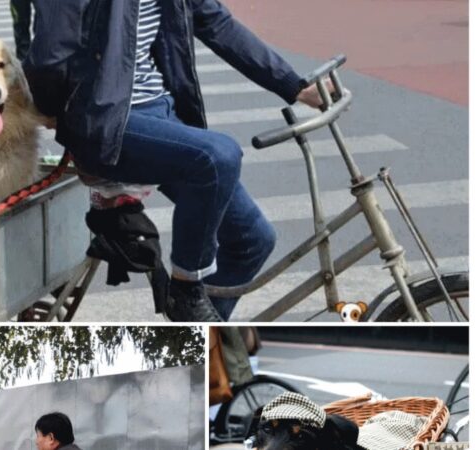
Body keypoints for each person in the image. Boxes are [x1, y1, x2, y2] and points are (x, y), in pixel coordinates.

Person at [23, 1, 328, 322]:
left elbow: (218, 25)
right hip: (106, 121)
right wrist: (56, 110)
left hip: (161, 113)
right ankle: (187, 286)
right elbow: (48, 56)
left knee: (252, 240)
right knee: (217, 156)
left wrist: (295, 86)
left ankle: (194, 333)